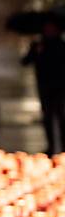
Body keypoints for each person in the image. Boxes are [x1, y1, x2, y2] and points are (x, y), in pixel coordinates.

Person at [22, 21, 65, 154]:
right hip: (44, 86)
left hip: (60, 86)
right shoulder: (38, 45)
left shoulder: (62, 45)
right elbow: (25, 61)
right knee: (47, 117)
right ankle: (50, 146)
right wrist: (35, 51)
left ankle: (63, 146)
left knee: (61, 116)